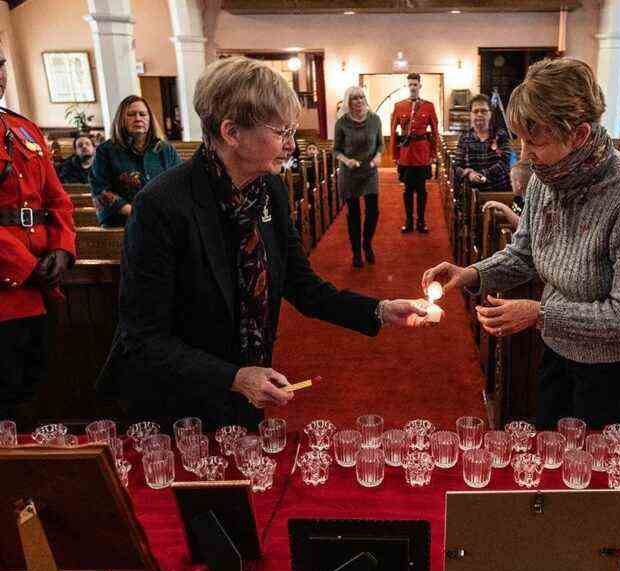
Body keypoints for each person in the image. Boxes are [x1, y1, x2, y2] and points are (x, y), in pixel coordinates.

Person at [97, 57, 431, 429]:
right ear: (231, 132)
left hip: (243, 389)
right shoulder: (161, 205)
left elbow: (303, 287)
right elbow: (142, 338)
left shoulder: (268, 190)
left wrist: (381, 310)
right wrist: (233, 377)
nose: (291, 145)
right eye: (281, 132)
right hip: (172, 405)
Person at [422, 58, 620, 430]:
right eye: (521, 140)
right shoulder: (545, 178)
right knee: (552, 461)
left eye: (536, 141)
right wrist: (472, 273)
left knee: (601, 475)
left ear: (580, 135)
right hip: (561, 349)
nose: (524, 154)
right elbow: (524, 254)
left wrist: (540, 314)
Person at [0, 47, 76, 427]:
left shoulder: (23, 128)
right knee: (6, 399)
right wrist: (26, 265)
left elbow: (57, 199)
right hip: (7, 288)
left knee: (38, 390)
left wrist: (62, 249)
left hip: (42, 288)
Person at [89, 95, 181, 227]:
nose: (138, 118)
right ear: (121, 119)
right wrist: (137, 213)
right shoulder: (106, 151)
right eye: (131, 114)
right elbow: (100, 190)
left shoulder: (165, 149)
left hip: (161, 222)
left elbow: (178, 183)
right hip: (122, 223)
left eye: (143, 114)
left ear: (150, 119)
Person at [334, 86, 383, 268]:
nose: (359, 101)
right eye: (355, 98)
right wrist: (346, 161)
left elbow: (380, 145)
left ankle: (367, 243)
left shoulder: (375, 119)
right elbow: (335, 150)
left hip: (370, 171)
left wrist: (378, 157)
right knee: (353, 214)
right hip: (349, 172)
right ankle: (356, 252)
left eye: (362, 97)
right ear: (348, 102)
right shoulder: (342, 123)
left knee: (373, 212)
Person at [391, 73, 439, 233]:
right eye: (410, 84)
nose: (412, 87)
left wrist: (433, 153)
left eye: (415, 84)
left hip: (422, 154)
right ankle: (409, 221)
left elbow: (435, 131)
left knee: (422, 190)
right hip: (406, 155)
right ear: (407, 86)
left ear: (420, 86)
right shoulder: (399, 106)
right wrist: (395, 155)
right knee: (407, 190)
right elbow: (393, 133)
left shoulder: (428, 106)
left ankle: (421, 221)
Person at [455, 93, 513, 193]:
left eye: (484, 111)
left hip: (498, 191)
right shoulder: (464, 138)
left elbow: (505, 162)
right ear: (470, 115)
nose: (479, 114)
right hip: (472, 192)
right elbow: (457, 166)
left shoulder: (500, 135)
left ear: (490, 114)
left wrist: (480, 175)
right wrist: (469, 174)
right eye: (475, 111)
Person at [482, 163, 531, 230]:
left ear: (518, 185)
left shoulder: (529, 203)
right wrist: (498, 214)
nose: (510, 184)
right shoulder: (518, 198)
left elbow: (521, 225)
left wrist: (503, 208)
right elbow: (515, 215)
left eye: (511, 181)